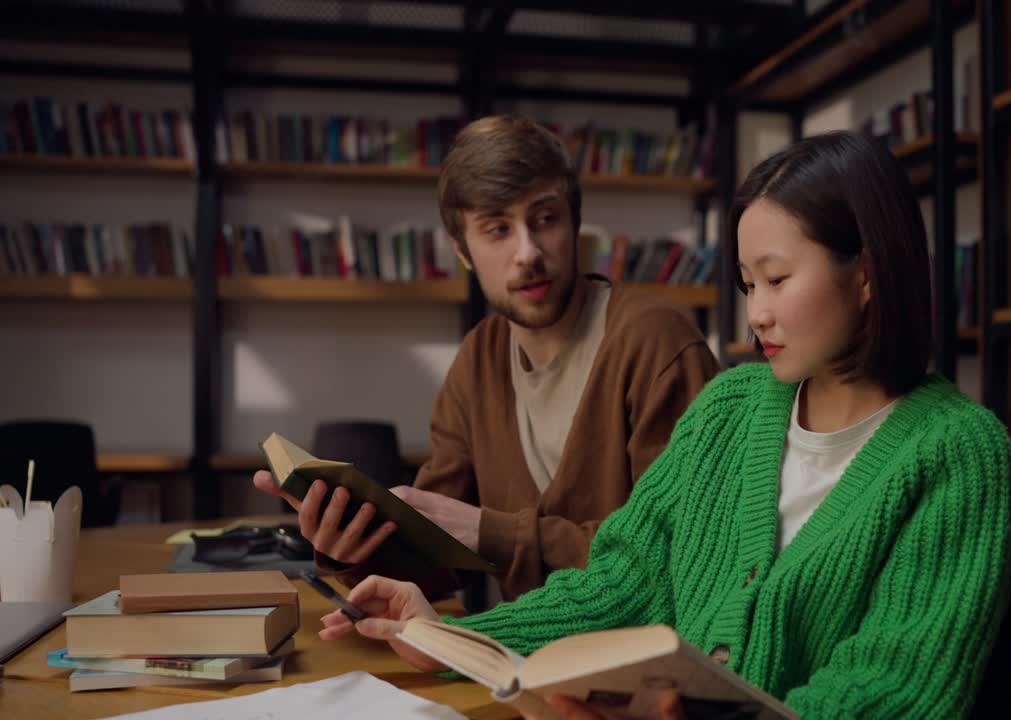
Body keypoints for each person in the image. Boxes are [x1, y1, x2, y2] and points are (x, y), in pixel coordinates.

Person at [317, 130, 1011, 718]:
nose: (757, 313)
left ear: (865, 274)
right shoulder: (731, 407)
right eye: (748, 285)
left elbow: (893, 688)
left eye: (777, 279)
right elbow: (626, 579)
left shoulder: (958, 450)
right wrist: (457, 635)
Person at [252, 115, 720, 601]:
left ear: (575, 221)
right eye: (497, 229)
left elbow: (679, 557)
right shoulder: (478, 359)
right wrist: (351, 549)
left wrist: (492, 532)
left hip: (644, 658)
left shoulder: (656, 341)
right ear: (463, 252)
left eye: (546, 219)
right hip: (519, 652)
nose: (528, 253)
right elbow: (435, 559)